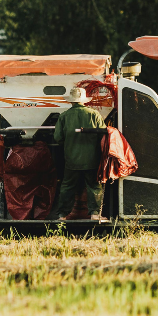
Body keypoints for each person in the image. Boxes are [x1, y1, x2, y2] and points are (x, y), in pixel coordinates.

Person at [52, 87, 106, 220]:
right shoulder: (94, 114)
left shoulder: (64, 116)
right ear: (84, 101)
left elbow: (58, 138)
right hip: (92, 159)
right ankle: (94, 214)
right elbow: (104, 137)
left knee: (67, 186)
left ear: (71, 101)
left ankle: (62, 215)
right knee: (94, 186)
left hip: (72, 159)